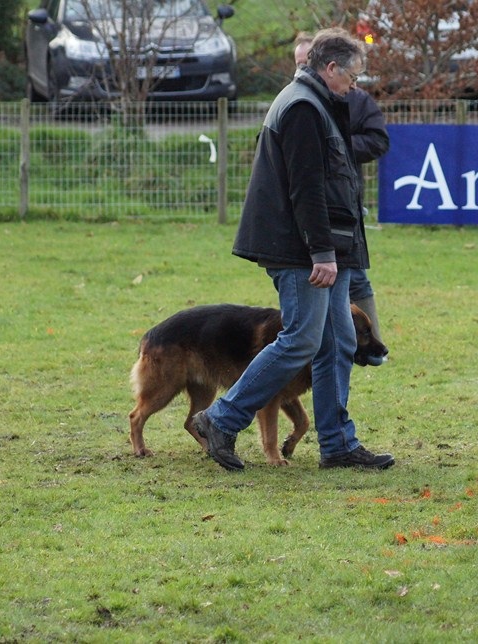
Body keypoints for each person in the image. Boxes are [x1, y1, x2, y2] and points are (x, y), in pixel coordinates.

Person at [192, 27, 394, 471]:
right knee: (302, 338)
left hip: (322, 247)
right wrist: (322, 252)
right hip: (300, 249)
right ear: (331, 68)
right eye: (353, 76)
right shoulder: (303, 107)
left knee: (339, 340)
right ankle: (221, 419)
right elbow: (305, 187)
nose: (355, 86)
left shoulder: (319, 102)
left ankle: (338, 445)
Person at [295, 32, 390, 351]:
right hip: (313, 216)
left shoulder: (357, 101)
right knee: (309, 288)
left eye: (305, 63)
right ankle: (323, 342)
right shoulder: (300, 103)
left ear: (327, 66)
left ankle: (371, 345)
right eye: (297, 65)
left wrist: (339, 146)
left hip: (343, 208)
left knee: (354, 278)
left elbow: (378, 141)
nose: (301, 71)